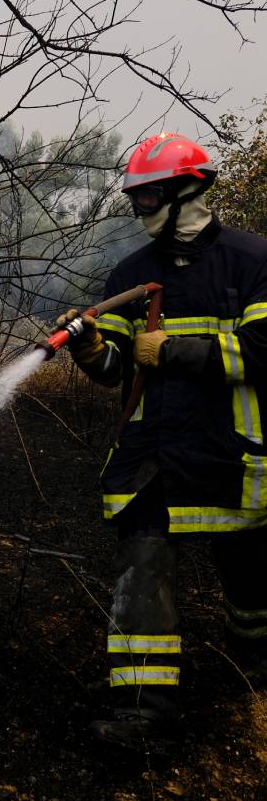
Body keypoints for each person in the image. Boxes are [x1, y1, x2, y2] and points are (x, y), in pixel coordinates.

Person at [58, 132, 267, 749]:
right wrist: (96, 350)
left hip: (233, 459)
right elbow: (119, 368)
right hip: (153, 459)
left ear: (189, 190)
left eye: (148, 198)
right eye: (136, 199)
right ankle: (142, 715)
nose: (139, 210)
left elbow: (266, 351)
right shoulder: (131, 275)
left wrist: (177, 351)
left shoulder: (252, 261)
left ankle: (252, 680)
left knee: (254, 594)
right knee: (141, 573)